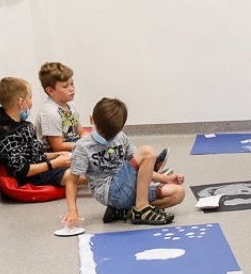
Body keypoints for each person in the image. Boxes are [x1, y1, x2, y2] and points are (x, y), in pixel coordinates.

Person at [63, 97, 183, 227]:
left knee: (178, 193)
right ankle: (142, 208)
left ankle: (127, 211)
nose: (107, 138)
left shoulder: (120, 137)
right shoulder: (82, 147)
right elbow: (72, 181)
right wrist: (73, 211)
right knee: (147, 151)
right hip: (110, 192)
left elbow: (140, 169)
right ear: (91, 119)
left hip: (127, 187)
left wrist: (166, 179)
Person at [0, 77, 69, 186]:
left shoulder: (22, 125)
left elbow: (33, 155)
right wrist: (54, 164)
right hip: (34, 176)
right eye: (30, 97)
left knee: (76, 160)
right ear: (21, 102)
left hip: (42, 167)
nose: (32, 102)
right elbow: (21, 170)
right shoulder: (8, 135)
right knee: (75, 174)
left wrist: (57, 155)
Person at [36, 62, 82, 153]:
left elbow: (80, 131)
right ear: (51, 91)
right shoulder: (50, 113)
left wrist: (89, 140)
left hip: (73, 146)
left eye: (72, 83)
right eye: (65, 86)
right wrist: (83, 146)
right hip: (57, 156)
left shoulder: (70, 106)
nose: (71, 89)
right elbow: (58, 146)